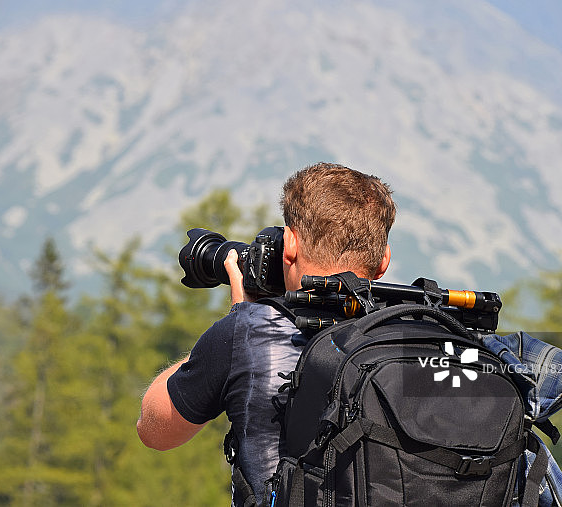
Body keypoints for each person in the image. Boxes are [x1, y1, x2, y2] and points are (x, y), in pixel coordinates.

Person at [136, 162, 396, 505]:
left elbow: (154, 429)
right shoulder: (416, 334)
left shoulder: (250, 332)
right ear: (383, 261)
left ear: (288, 244)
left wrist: (241, 318)